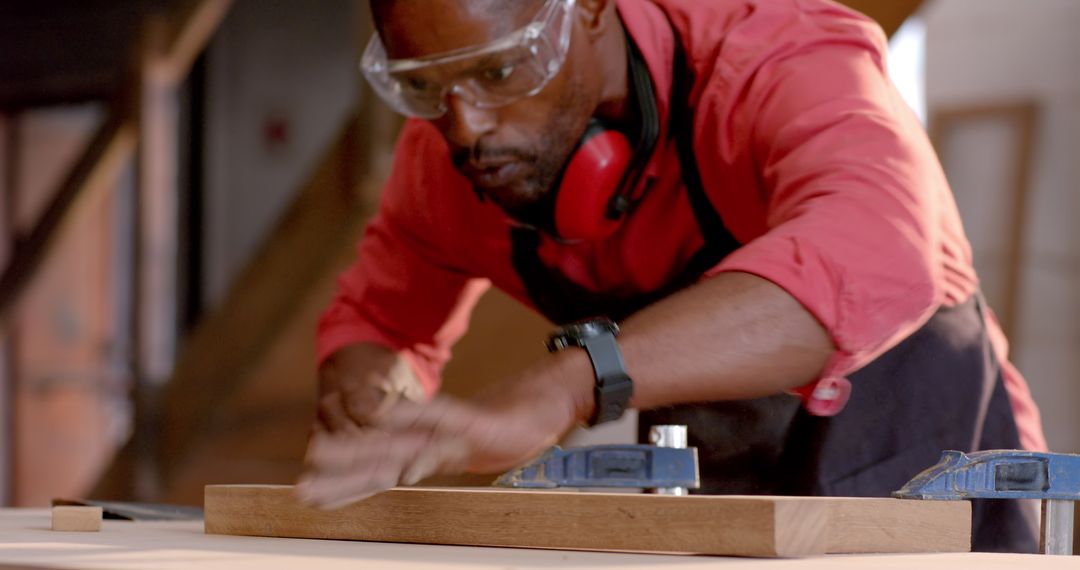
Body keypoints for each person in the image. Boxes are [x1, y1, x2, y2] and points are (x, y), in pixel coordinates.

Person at [296, 0, 1047, 552]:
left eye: (498, 70)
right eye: (425, 88)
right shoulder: (451, 160)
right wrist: (373, 405)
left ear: (585, 11)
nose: (466, 128)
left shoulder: (777, 53)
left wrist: (567, 382)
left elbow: (877, 249)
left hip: (935, 480)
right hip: (728, 512)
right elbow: (382, 319)